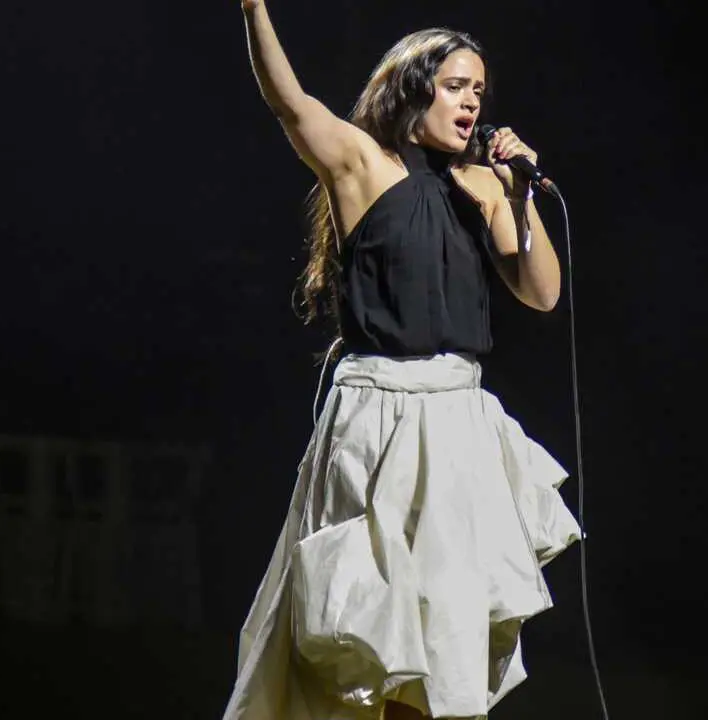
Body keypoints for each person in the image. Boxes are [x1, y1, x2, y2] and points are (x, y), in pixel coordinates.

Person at [224, 2, 582, 718]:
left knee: (444, 627)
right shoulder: (363, 164)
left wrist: (520, 194)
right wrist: (254, 8)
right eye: (455, 86)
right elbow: (290, 104)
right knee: (369, 615)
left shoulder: (484, 185)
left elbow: (542, 293)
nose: (472, 102)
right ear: (414, 87)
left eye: (478, 91)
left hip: (456, 418)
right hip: (377, 415)